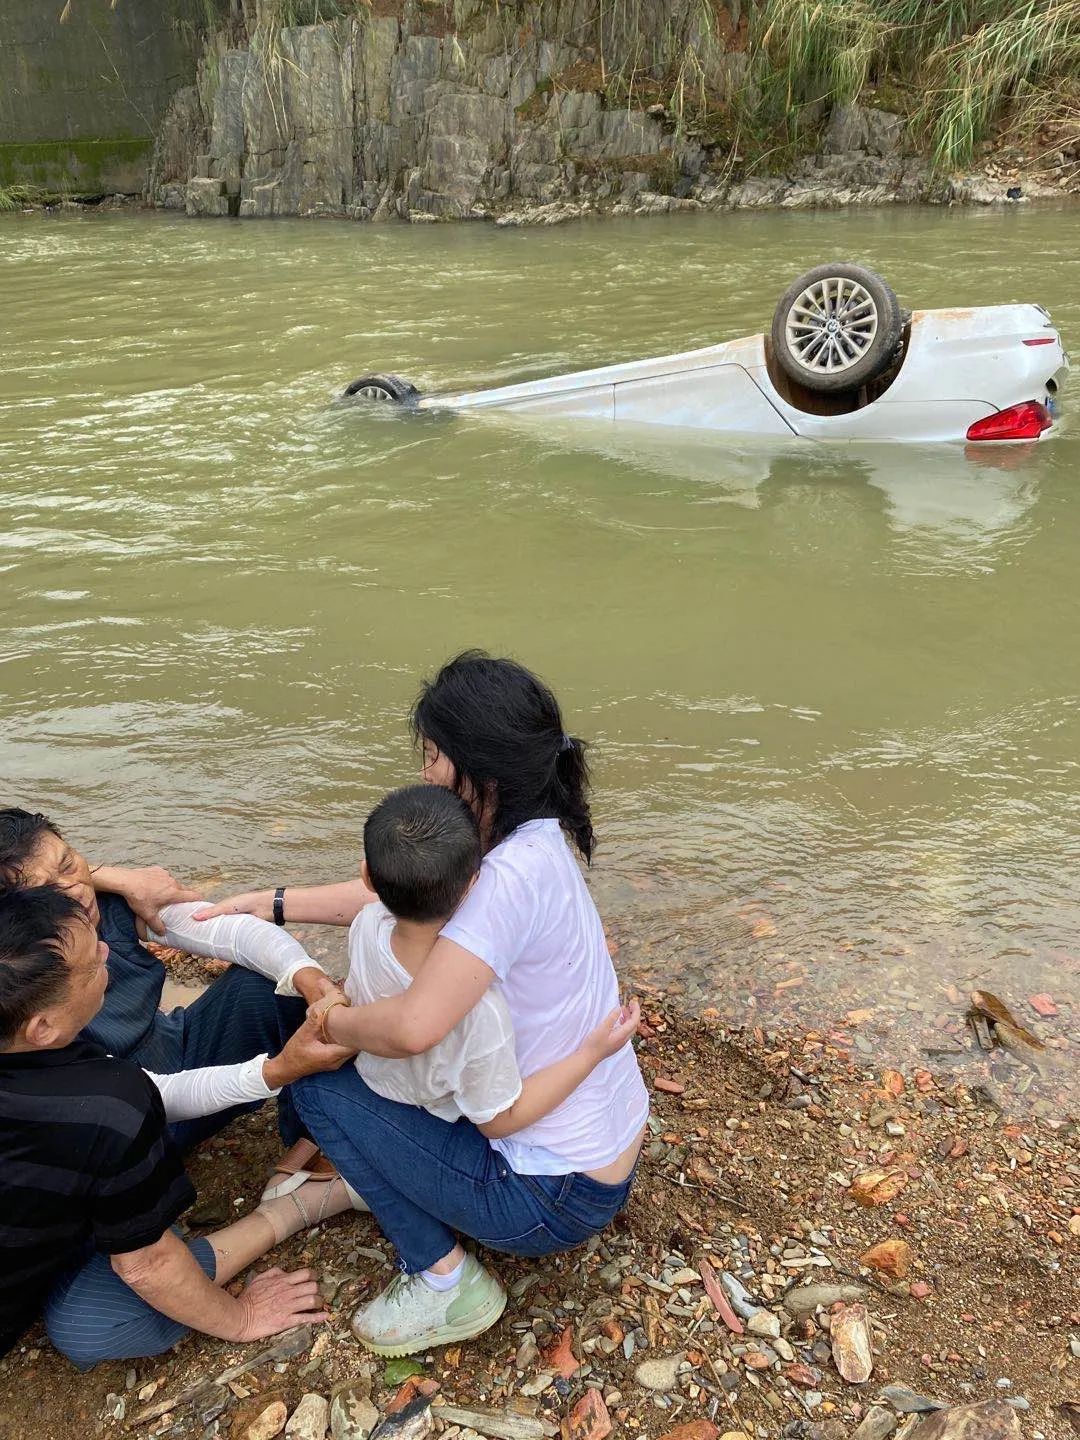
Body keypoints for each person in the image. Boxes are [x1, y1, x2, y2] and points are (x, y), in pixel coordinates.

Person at [196, 650, 650, 1356]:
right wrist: (274, 903)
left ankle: (443, 1281)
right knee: (368, 1069)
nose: (425, 771)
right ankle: (375, 1172)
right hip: (595, 1149)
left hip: (547, 1198)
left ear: (481, 772)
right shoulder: (528, 835)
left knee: (319, 1089)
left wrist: (330, 1020)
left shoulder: (502, 881)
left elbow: (412, 1028)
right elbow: (399, 896)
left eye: (435, 755)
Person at [0, 885, 361, 1370]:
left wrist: (278, 1068)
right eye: (93, 961)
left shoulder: (71, 1071)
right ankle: (292, 1207)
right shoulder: (105, 1109)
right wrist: (243, 1318)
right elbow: (146, 1265)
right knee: (91, 1324)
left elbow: (157, 1095)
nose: (107, 949)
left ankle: (310, 1143)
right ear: (42, 1028)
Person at [0, 809, 343, 1178]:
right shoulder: (26, 1001)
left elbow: (228, 931)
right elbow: (148, 1093)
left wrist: (307, 976)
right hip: (131, 1120)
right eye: (45, 889)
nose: (75, 890)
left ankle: (310, 1131)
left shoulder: (110, 904)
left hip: (175, 1044)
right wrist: (276, 1071)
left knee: (271, 982)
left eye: (69, 864)